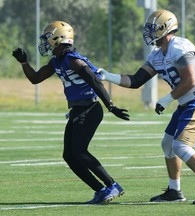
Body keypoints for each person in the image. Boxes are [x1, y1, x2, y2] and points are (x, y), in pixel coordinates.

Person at [97, 10, 195, 204]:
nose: (149, 32)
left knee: (180, 146)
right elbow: (135, 80)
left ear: (165, 28)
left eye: (153, 28)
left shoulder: (180, 47)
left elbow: (190, 81)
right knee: (167, 144)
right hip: (187, 103)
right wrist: (108, 76)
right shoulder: (157, 55)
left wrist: (166, 100)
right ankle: (175, 191)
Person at [12, 21, 129, 205]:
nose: (46, 42)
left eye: (48, 38)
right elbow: (35, 78)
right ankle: (100, 190)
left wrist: (111, 106)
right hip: (78, 109)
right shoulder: (56, 61)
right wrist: (23, 62)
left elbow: (95, 81)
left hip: (90, 108)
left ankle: (112, 185)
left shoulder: (73, 60)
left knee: (79, 151)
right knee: (69, 154)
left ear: (59, 38)